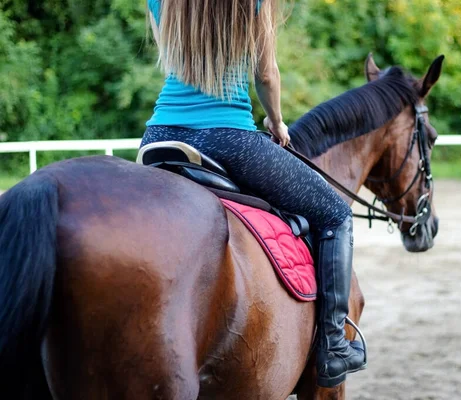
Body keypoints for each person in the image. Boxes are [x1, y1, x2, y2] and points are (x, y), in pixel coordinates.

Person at [142, 0, 365, 387]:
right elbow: (266, 73)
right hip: (229, 137)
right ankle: (332, 346)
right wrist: (276, 121)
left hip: (160, 134)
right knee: (334, 215)